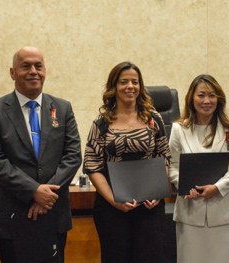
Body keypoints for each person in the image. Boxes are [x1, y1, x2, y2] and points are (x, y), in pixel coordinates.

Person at [0, 46, 82, 263]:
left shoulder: (62, 108)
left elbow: (73, 155)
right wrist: (33, 190)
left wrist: (46, 195)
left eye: (39, 66)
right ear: (12, 72)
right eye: (25, 66)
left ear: (45, 70)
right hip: (15, 215)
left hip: (53, 213)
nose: (33, 71)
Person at [83, 61, 171, 263]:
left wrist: (157, 193)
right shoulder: (102, 123)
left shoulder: (153, 118)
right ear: (114, 87)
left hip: (150, 207)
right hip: (112, 206)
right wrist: (114, 200)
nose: (130, 86)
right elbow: (92, 165)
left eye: (135, 82)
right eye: (124, 82)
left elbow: (164, 155)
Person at [168, 74, 229, 263]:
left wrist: (217, 188)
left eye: (212, 95)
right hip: (190, 210)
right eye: (201, 95)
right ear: (191, 98)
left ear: (219, 98)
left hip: (223, 211)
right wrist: (186, 186)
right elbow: (172, 165)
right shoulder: (179, 128)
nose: (206, 101)